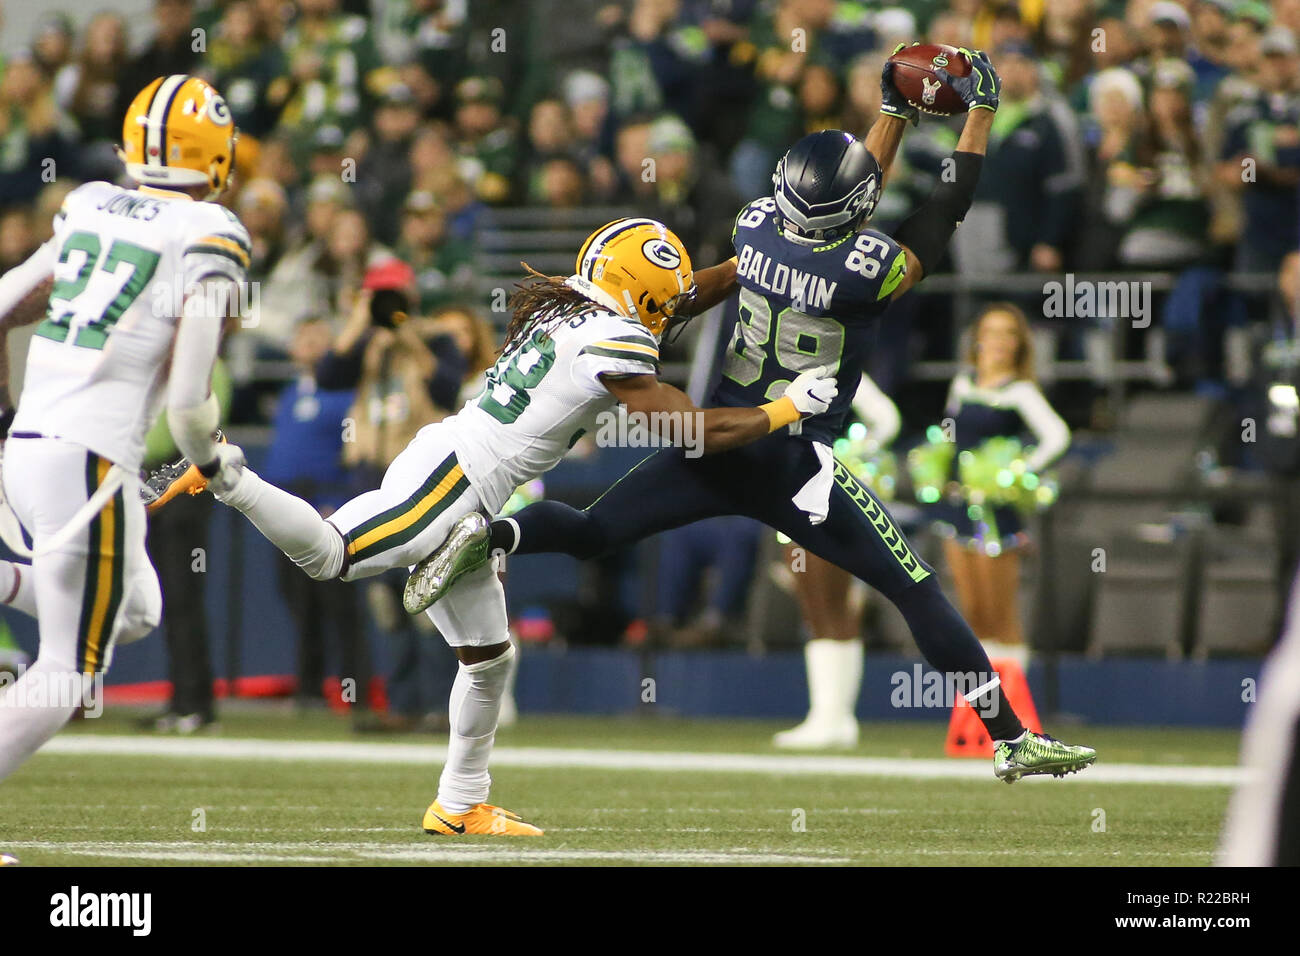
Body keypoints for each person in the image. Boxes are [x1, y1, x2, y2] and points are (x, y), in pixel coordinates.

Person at [428, 50, 1098, 784]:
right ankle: (1010, 738)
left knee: (591, 532)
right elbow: (950, 202)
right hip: (791, 458)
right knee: (913, 588)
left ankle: (491, 535)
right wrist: (980, 112)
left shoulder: (754, 225)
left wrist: (894, 114)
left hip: (715, 443)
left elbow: (842, 200)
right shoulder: (867, 271)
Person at [156, 218, 831, 834]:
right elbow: (688, 429)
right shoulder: (614, 337)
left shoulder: (575, 304)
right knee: (332, 556)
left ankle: (459, 804)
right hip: (459, 478)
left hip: (461, 467)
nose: (672, 307)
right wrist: (784, 409)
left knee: (488, 659)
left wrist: (751, 265)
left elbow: (675, 296)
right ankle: (224, 473)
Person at [0, 75, 247, 782]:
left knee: (136, 610)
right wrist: (211, 460)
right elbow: (189, 403)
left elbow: (3, 304)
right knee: (69, 672)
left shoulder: (88, 204)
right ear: (218, 156)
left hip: (32, 447)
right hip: (91, 457)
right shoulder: (209, 230)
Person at [932, 303, 1070, 663]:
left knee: (1001, 615)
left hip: (996, 513)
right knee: (972, 613)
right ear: (977, 338)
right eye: (991, 332)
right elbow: (948, 435)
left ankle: (1013, 706)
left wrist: (1015, 471)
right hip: (958, 505)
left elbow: (1057, 436)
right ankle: (982, 708)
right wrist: (939, 471)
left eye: (1008, 333)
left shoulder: (1021, 391)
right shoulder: (962, 383)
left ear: (1019, 343)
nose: (998, 341)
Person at [774, 373, 901, 750]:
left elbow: (887, 419)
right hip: (785, 492)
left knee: (832, 604)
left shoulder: (842, 370)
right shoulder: (774, 368)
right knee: (811, 606)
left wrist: (841, 460)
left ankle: (835, 715)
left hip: (825, 497)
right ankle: (827, 715)